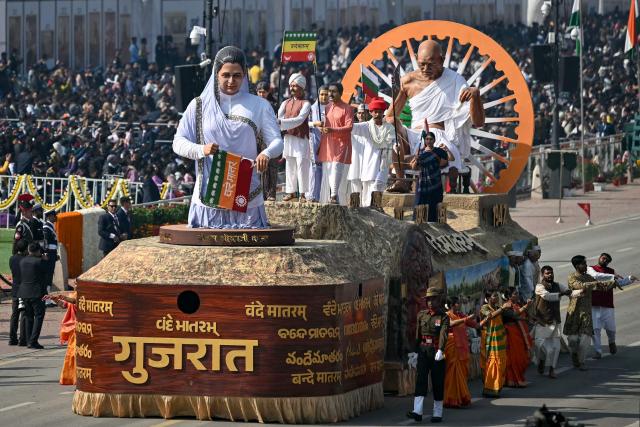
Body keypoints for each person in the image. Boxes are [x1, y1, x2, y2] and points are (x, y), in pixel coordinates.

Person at [173, 46, 283, 228]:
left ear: (244, 75)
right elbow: (178, 142)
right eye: (226, 75)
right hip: (209, 193)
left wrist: (267, 153)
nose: (231, 81)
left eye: (237, 75)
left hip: (246, 195)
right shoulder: (199, 105)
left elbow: (277, 141)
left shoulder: (259, 105)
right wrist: (201, 149)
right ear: (216, 74)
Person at [387, 40, 484, 193]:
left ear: (442, 59)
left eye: (431, 64)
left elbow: (479, 122)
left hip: (440, 137)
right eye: (421, 64)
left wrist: (475, 96)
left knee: (443, 156)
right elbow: (390, 116)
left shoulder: (456, 81)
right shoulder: (408, 81)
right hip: (413, 137)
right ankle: (402, 181)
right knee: (395, 137)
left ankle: (417, 163)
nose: (425, 69)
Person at [563, 255, 618, 371]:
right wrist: (594, 284)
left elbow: (601, 286)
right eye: (583, 263)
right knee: (573, 340)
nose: (586, 265)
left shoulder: (589, 277)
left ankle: (581, 362)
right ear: (577, 266)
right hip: (574, 313)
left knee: (585, 340)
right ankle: (574, 354)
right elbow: (579, 286)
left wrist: (614, 283)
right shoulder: (572, 277)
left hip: (586, 314)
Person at [406, 287, 449, 423]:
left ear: (438, 300)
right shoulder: (421, 315)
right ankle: (417, 411)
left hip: (436, 351)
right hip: (423, 350)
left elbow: (443, 334)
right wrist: (414, 351)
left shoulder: (443, 317)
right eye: (428, 299)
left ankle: (437, 413)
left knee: (437, 382)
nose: (430, 302)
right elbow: (418, 334)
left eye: (433, 299)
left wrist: (441, 350)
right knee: (421, 380)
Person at [348, 97, 395, 206]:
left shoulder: (389, 128)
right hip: (368, 165)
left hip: (383, 164)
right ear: (371, 112)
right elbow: (352, 127)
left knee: (377, 189)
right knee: (366, 195)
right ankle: (366, 215)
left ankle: (375, 213)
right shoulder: (366, 126)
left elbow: (391, 142)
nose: (378, 114)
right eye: (375, 112)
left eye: (380, 112)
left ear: (383, 112)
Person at [587, 253, 636, 358]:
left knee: (611, 329)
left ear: (608, 262)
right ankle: (598, 351)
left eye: (607, 260)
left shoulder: (611, 271)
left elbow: (620, 283)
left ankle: (612, 342)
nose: (604, 260)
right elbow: (596, 276)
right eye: (603, 258)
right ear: (599, 258)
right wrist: (613, 276)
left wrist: (630, 278)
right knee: (595, 329)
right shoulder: (590, 269)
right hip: (594, 305)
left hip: (607, 304)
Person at [534, 265, 575, 379]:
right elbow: (547, 296)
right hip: (543, 321)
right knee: (540, 346)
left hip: (555, 321)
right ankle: (541, 360)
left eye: (551, 273)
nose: (550, 275)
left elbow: (569, 291)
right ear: (543, 275)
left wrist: (578, 292)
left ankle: (552, 369)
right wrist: (562, 294)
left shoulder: (557, 285)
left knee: (555, 348)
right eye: (547, 273)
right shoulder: (539, 286)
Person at [318, 82, 354, 204]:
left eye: (334, 91)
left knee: (336, 167)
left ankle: (334, 196)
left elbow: (349, 127)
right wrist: (322, 127)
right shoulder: (327, 107)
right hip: (328, 142)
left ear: (340, 93)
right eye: (329, 91)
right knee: (328, 168)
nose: (330, 94)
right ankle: (330, 195)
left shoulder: (347, 108)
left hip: (341, 142)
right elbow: (325, 125)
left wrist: (332, 130)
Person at [278, 73, 311, 202]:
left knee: (302, 164)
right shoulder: (285, 102)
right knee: (290, 164)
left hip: (301, 138)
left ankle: (303, 193)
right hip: (288, 138)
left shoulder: (306, 103)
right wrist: (278, 122)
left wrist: (281, 123)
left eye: (295, 86)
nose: (292, 88)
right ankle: (291, 192)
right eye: (291, 85)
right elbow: (279, 116)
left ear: (302, 88)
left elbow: (300, 120)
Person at [443, 296, 478, 408]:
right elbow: (451, 324)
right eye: (457, 303)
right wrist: (465, 319)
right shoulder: (446, 315)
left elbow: (476, 325)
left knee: (461, 374)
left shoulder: (461, 315)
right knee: (452, 373)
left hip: (462, 347)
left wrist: (486, 319)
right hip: (452, 346)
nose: (459, 305)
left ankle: (461, 398)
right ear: (452, 304)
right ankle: (451, 399)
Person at [409, 129, 448, 222]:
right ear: (425, 140)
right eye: (427, 139)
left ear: (434, 140)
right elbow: (413, 167)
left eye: (431, 139)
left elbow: (447, 160)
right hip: (423, 184)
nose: (428, 141)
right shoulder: (421, 152)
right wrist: (416, 159)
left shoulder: (439, 151)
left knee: (435, 203)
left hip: (435, 182)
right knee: (420, 203)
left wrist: (447, 150)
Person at [479, 290, 511, 397]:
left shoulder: (498, 308)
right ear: (488, 298)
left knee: (501, 363)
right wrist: (502, 308)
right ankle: (490, 388)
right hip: (489, 340)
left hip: (500, 340)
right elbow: (490, 316)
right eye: (494, 296)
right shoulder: (484, 308)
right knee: (492, 363)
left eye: (497, 296)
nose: (496, 298)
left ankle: (497, 386)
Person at [17, 243, 48, 349]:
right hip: (36, 293)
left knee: (29, 316)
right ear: (38, 251)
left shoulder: (23, 261)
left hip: (24, 292)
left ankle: (29, 339)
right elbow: (46, 273)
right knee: (39, 316)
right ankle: (33, 340)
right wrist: (45, 260)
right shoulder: (40, 262)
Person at [502, 288, 533, 388]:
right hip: (511, 333)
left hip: (518, 332)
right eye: (515, 294)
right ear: (509, 296)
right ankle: (515, 380)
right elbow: (514, 315)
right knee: (515, 357)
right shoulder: (506, 306)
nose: (517, 295)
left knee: (522, 357)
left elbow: (520, 316)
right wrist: (526, 306)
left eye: (517, 293)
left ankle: (515, 379)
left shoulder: (517, 304)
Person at [255, 81, 279, 201]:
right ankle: (261, 193)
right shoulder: (253, 104)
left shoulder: (274, 105)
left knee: (271, 166)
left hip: (270, 139)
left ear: (268, 92)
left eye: (263, 92)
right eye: (259, 92)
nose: (261, 94)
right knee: (259, 166)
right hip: (257, 138)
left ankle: (271, 193)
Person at [306, 85, 330, 202]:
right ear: (318, 95)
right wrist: (315, 124)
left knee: (327, 169)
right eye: (322, 94)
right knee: (315, 168)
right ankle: (312, 195)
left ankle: (325, 196)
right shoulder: (312, 108)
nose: (324, 97)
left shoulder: (332, 107)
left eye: (326, 94)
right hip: (315, 140)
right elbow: (305, 123)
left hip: (329, 141)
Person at [50, 292, 78, 385]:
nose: (75, 284)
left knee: (77, 354)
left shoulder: (85, 294)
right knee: (71, 354)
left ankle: (78, 379)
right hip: (72, 327)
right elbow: (64, 305)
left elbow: (75, 301)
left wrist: (62, 297)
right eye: (75, 282)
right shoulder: (72, 294)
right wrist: (55, 300)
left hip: (81, 327)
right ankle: (71, 378)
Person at [8, 239, 28, 346]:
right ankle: (22, 338)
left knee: (14, 315)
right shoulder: (27, 260)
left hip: (15, 289)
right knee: (24, 314)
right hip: (24, 289)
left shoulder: (12, 259)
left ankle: (12, 338)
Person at [42, 209, 59, 299]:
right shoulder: (46, 227)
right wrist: (46, 253)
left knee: (50, 275)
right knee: (47, 275)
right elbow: (46, 243)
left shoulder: (51, 226)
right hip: (49, 255)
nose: (55, 217)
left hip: (52, 254)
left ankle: (47, 296)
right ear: (49, 217)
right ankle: (46, 298)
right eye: (53, 215)